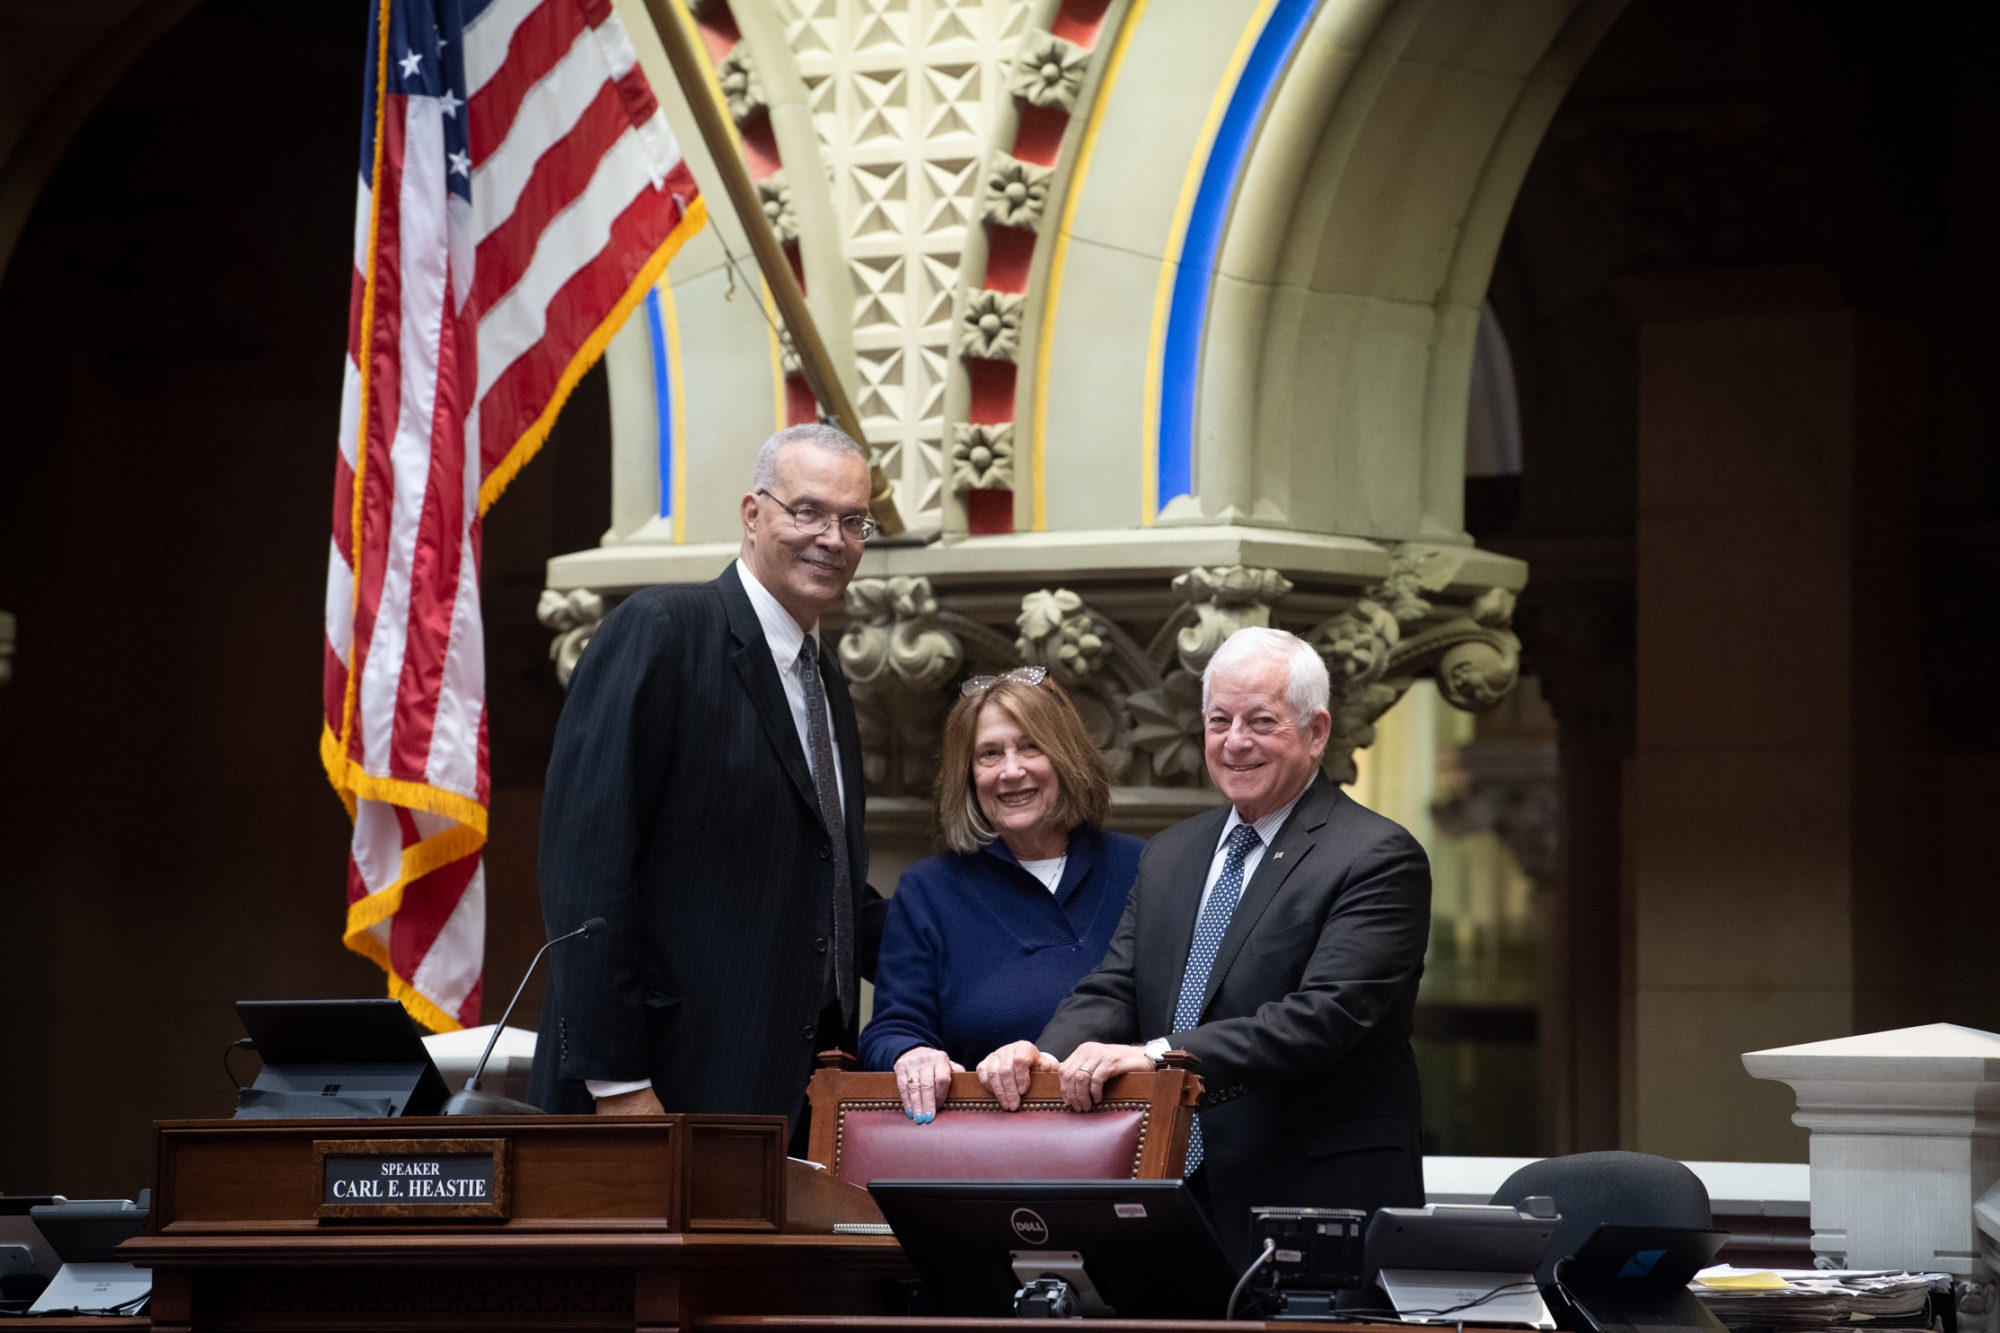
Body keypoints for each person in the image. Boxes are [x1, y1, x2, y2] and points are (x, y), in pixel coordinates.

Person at [974, 627, 1432, 1263]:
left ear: (1317, 731)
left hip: (1311, 1201)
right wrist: (1046, 1057)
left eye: (1261, 721)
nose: (1235, 741)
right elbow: (1118, 985)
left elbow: (1322, 1018)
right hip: (1170, 1194)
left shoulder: (1376, 856)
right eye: (1220, 720)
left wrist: (1157, 1057)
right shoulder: (1172, 852)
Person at [528, 424, 887, 1134]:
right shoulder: (662, 630)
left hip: (794, 1097)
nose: (833, 539)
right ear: (753, 514)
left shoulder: (825, 676)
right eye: (808, 512)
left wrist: (982, 930)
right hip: (659, 1096)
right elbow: (586, 868)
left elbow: (831, 883)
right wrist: (620, 1085)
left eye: (853, 522)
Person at [860, 667, 1144, 1122]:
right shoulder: (928, 890)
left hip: (1133, 1134)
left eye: (1031, 746)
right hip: (988, 1140)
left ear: (1067, 756)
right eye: (989, 754)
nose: (1011, 771)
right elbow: (890, 1029)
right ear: (968, 774)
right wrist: (911, 1053)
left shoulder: (1144, 868)